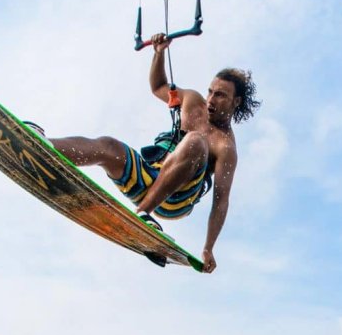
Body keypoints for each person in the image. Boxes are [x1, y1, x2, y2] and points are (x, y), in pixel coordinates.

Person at [44, 33, 260, 273]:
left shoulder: (226, 147)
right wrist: (159, 52)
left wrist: (208, 247)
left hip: (175, 200)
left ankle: (143, 213)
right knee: (108, 146)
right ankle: (45, 147)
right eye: (210, 91)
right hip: (151, 175)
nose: (211, 99)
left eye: (220, 95)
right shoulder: (191, 101)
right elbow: (158, 87)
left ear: (236, 101)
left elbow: (221, 200)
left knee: (196, 142)